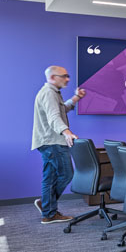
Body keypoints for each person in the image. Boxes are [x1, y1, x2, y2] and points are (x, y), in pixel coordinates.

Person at [32, 65, 85, 223]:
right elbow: (54, 117)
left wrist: (76, 98)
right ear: (53, 77)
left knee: (50, 177)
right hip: (53, 142)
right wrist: (66, 132)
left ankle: (48, 211)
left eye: (68, 76)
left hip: (47, 141)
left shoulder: (52, 93)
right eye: (64, 76)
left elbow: (62, 109)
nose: (67, 79)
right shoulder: (49, 93)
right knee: (66, 174)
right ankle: (48, 207)